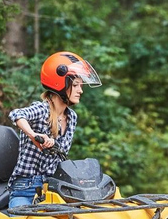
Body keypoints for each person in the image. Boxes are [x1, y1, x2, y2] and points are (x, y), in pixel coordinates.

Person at [7, 51, 101, 209]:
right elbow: (16, 114)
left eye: (81, 85)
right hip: (26, 188)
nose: (81, 90)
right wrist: (33, 135)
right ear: (59, 84)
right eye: (76, 85)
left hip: (53, 189)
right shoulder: (42, 109)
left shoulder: (72, 117)